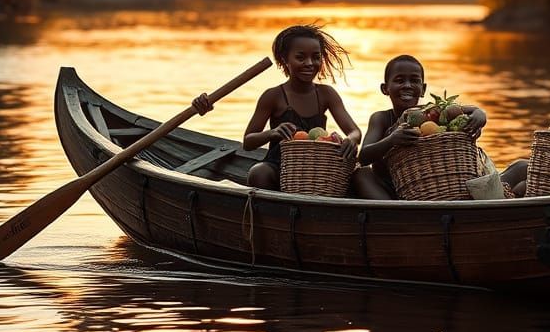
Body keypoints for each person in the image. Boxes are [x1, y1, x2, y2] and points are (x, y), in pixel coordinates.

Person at [194, 23, 362, 189]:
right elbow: (248, 142)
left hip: (313, 168)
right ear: (284, 60)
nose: (310, 63)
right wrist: (273, 132)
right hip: (278, 165)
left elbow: (355, 131)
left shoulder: (326, 94)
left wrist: (351, 140)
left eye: (316, 57)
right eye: (300, 57)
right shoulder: (273, 96)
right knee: (257, 173)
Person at [350, 54, 525, 200]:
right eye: (399, 80)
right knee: (361, 174)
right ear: (385, 88)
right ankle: (394, 215)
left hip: (440, 190)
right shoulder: (381, 119)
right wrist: (392, 140)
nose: (407, 86)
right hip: (395, 195)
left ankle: (509, 200)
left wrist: (480, 114)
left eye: (414, 81)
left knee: (523, 167)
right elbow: (363, 156)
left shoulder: (431, 113)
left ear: (423, 89)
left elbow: (466, 110)